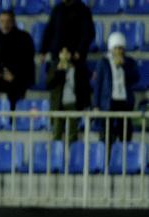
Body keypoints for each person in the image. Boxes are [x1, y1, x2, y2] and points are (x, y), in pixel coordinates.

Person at [39, 0, 95, 142]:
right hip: (57, 59)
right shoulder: (57, 9)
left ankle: (72, 148)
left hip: (76, 61)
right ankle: (56, 149)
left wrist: (79, 52)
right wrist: (43, 50)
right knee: (57, 97)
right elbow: (49, 30)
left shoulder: (83, 10)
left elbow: (88, 33)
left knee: (73, 125)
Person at [93, 31, 140, 144]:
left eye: (120, 48)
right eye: (116, 48)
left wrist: (124, 66)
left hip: (124, 101)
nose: (118, 51)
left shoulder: (129, 62)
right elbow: (98, 84)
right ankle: (107, 153)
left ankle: (124, 152)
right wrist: (96, 105)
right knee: (107, 133)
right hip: (108, 101)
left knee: (125, 131)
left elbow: (135, 78)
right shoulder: (103, 62)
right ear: (111, 48)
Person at [0, 9, 35, 109]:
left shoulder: (24, 37)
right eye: (2, 21)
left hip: (18, 76)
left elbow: (27, 62)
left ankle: (13, 116)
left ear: (13, 22)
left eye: (8, 21)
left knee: (15, 86)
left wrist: (14, 75)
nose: (5, 24)